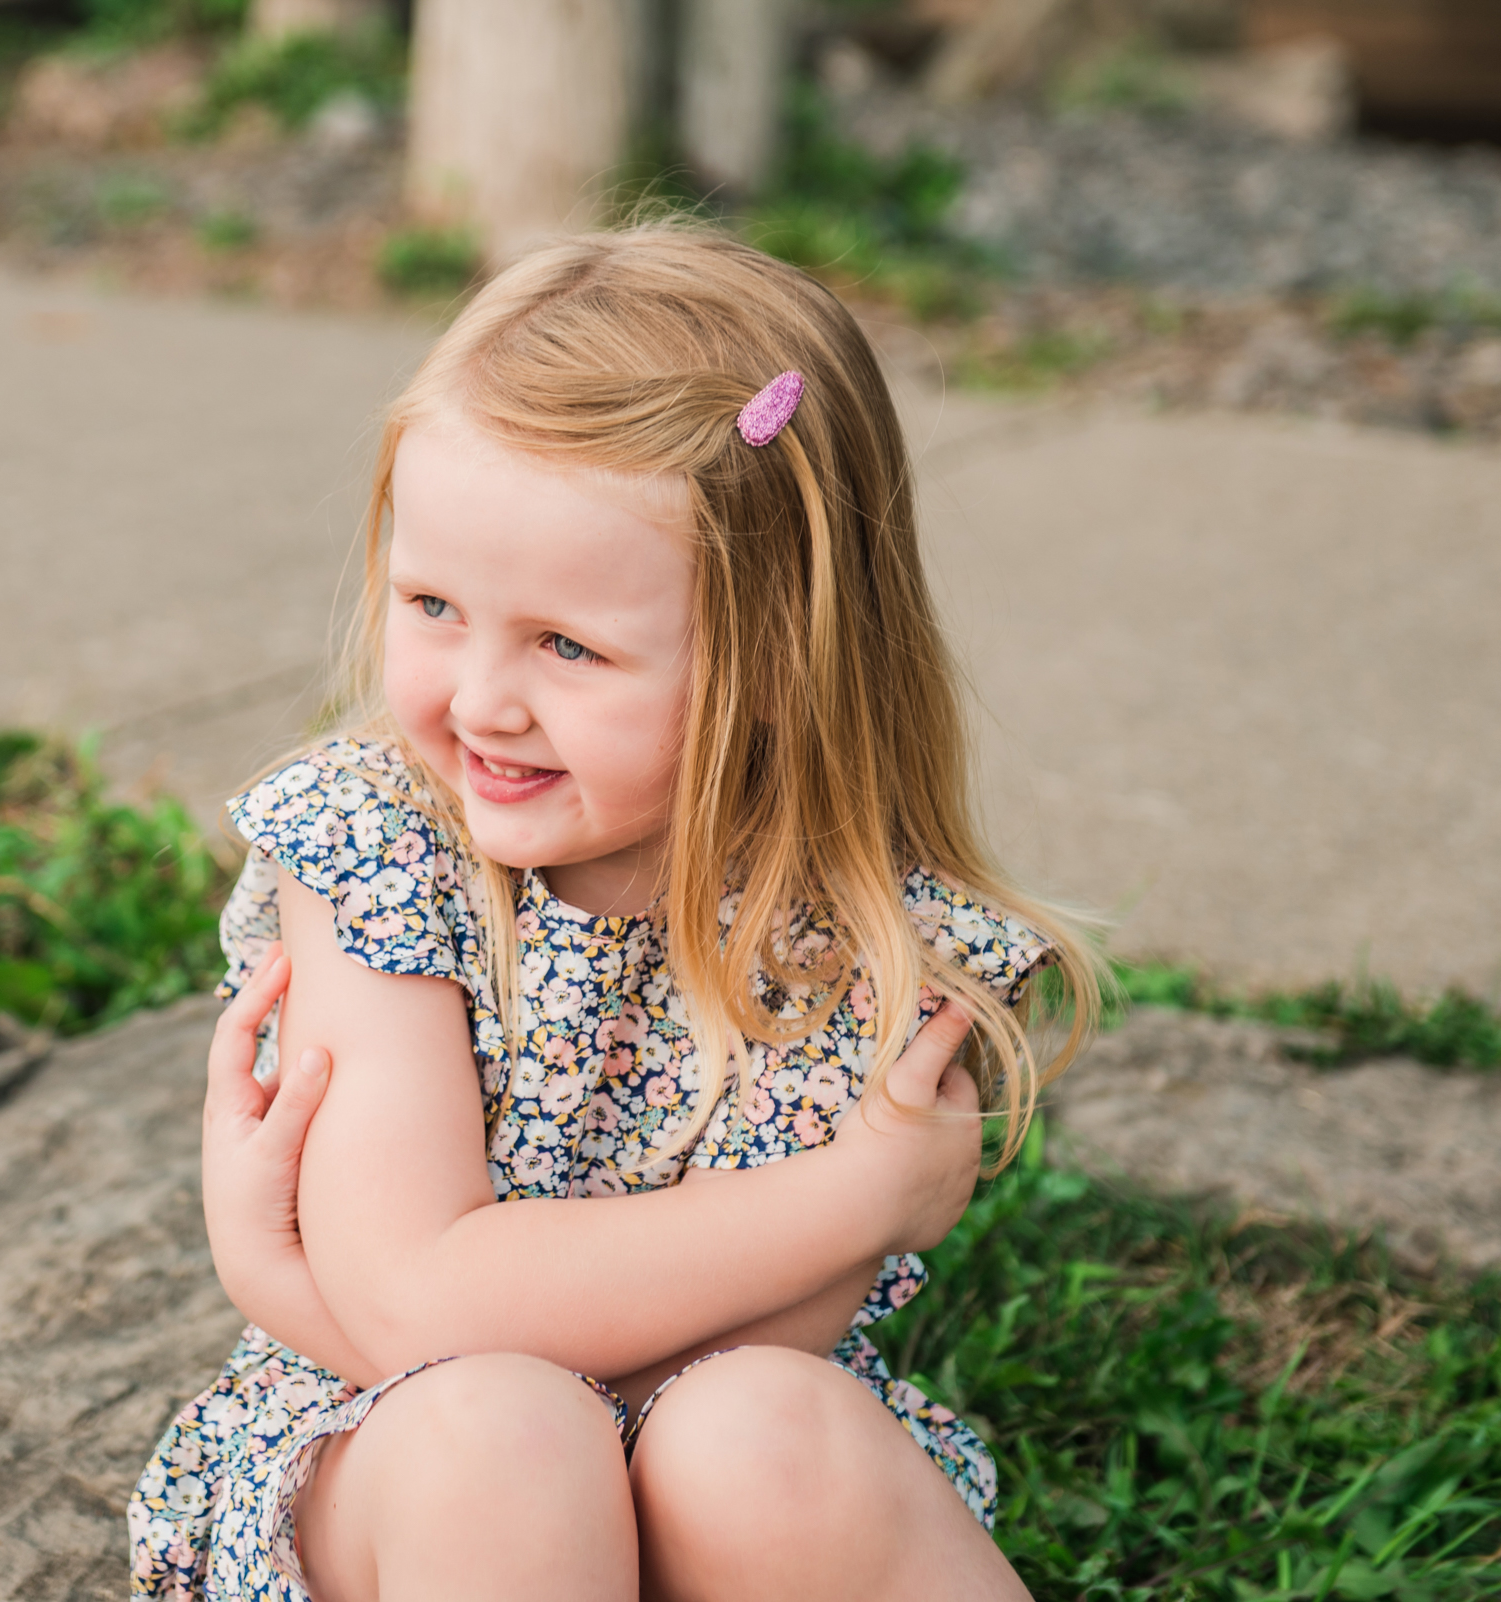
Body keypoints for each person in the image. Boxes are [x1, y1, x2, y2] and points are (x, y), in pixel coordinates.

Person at [128, 222, 1100, 1602]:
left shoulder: (842, 924)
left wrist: (314, 1272)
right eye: (434, 605)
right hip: (408, 1470)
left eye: (569, 646)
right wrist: (858, 1194)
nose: (480, 701)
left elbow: (777, 1331)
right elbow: (423, 1309)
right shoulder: (375, 850)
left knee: (764, 1427)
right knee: (511, 1438)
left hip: (699, 1488)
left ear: (778, 658)